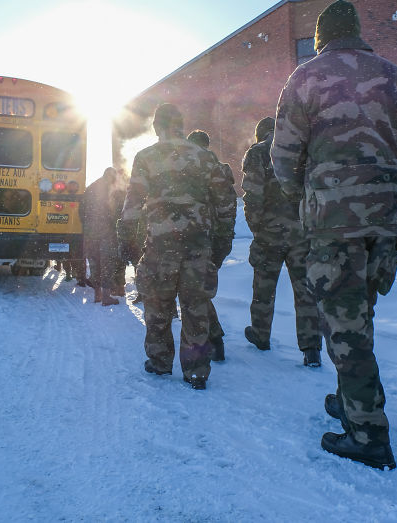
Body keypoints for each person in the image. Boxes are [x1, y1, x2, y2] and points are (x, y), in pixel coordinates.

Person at [271, 0, 397, 470]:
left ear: (319, 38)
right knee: (359, 313)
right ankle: (351, 398)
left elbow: (284, 155)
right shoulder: (396, 74)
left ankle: (368, 434)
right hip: (387, 217)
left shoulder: (306, 76)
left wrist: (309, 194)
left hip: (337, 219)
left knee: (345, 324)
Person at [117, 103, 236, 390]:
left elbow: (133, 202)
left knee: (158, 306)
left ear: (157, 127)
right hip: (198, 246)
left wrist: (126, 240)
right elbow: (226, 203)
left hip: (160, 245)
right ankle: (196, 371)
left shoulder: (146, 156)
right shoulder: (205, 157)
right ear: (181, 125)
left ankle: (159, 362)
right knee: (195, 308)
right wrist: (221, 241)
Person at [242, 116, 323, 367]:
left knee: (264, 289)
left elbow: (252, 195)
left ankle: (261, 335)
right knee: (306, 291)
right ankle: (311, 348)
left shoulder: (257, 153)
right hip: (302, 231)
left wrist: (258, 226)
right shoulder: (302, 150)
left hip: (270, 232)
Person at [187, 129, 234, 361]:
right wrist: (225, 238)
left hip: (197, 239)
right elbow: (229, 206)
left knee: (196, 291)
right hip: (216, 239)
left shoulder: (188, 169)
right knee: (200, 289)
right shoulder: (221, 169)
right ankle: (215, 340)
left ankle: (214, 340)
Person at [81, 167, 126, 305]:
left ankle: (97, 295)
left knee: (94, 262)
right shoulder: (114, 190)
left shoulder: (91, 188)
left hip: (90, 230)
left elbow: (81, 209)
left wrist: (87, 226)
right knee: (107, 262)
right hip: (107, 231)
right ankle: (106, 297)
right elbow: (119, 210)